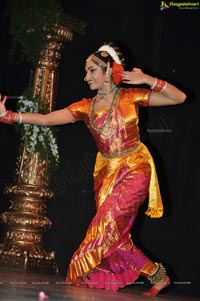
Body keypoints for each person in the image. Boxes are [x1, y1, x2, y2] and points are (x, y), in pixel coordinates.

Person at [0, 42, 186, 296]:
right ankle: (157, 274)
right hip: (106, 173)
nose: (86, 77)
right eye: (86, 72)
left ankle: (100, 266)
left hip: (135, 166)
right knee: (114, 235)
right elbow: (47, 119)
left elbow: (179, 98)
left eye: (91, 71)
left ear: (109, 70)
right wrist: (10, 116)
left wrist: (147, 79)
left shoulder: (131, 97)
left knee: (107, 225)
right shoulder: (85, 107)